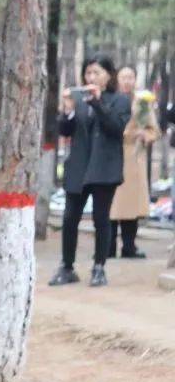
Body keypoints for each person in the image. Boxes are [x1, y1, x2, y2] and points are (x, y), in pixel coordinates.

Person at [49, 55, 131, 287]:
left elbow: (115, 128)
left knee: (101, 219)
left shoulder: (120, 101)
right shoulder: (78, 99)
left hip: (105, 168)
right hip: (79, 167)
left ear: (108, 74)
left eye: (96, 72)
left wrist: (96, 101)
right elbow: (65, 131)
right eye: (88, 73)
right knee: (69, 218)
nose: (91, 77)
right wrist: (68, 111)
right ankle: (67, 266)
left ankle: (99, 267)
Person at [109, 66, 160, 258]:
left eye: (131, 77)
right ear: (117, 78)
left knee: (132, 203)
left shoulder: (142, 102)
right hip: (113, 154)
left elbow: (154, 130)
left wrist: (144, 135)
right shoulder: (111, 99)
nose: (127, 81)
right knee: (112, 202)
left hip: (134, 158)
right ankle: (109, 245)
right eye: (123, 77)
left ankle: (129, 246)